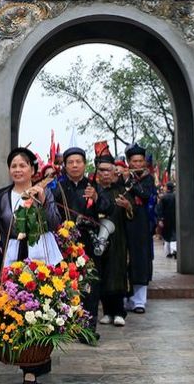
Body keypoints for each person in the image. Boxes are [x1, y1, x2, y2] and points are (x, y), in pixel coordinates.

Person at [0, 147, 61, 383]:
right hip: (13, 255)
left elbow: (54, 222)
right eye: (14, 165)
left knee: (38, 305)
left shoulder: (44, 193)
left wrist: (42, 201)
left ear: (33, 170)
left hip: (39, 254)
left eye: (23, 165)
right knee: (16, 304)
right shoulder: (2, 195)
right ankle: (24, 356)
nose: (18, 169)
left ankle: (34, 364)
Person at [55, 146, 110, 339]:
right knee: (65, 283)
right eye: (70, 162)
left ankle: (87, 329)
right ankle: (65, 326)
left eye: (78, 161)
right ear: (65, 165)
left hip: (89, 242)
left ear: (84, 164)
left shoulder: (93, 185)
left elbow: (107, 208)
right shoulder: (58, 186)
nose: (75, 165)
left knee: (91, 285)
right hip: (64, 242)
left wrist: (95, 198)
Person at [94, 153, 132, 328]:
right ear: (97, 171)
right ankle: (107, 312)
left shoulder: (121, 191)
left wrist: (128, 207)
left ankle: (119, 312)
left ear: (115, 172)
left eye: (109, 170)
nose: (105, 174)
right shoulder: (93, 190)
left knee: (117, 272)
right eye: (102, 170)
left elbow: (133, 215)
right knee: (101, 272)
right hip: (97, 237)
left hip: (118, 238)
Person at [123, 143, 157, 313]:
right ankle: (126, 298)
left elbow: (144, 194)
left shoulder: (147, 178)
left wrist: (130, 182)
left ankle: (139, 301)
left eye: (140, 161)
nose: (138, 164)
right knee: (125, 261)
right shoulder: (123, 177)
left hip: (141, 225)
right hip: (125, 224)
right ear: (129, 162)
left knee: (140, 262)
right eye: (134, 161)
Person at [158, 182, 177, 259]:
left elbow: (159, 209)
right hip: (175, 218)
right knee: (174, 234)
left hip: (166, 219)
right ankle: (174, 250)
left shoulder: (163, 198)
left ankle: (168, 252)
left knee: (167, 236)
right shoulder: (176, 196)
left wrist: (160, 219)